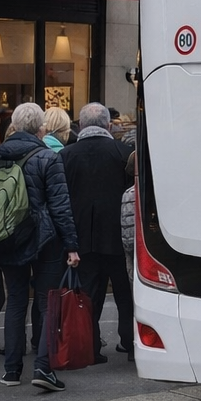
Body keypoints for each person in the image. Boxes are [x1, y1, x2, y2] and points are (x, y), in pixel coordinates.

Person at [0, 102, 80, 391]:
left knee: (14, 302)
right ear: (42, 128)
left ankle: (11, 371)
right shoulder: (48, 158)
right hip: (45, 239)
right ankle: (43, 368)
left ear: (13, 125)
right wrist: (72, 245)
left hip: (7, 237)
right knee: (47, 303)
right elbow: (61, 206)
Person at [61, 103, 134, 362]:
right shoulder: (124, 152)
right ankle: (129, 343)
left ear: (81, 125)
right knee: (126, 294)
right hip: (118, 238)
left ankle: (89, 348)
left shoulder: (66, 155)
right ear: (109, 125)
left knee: (88, 296)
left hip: (81, 239)